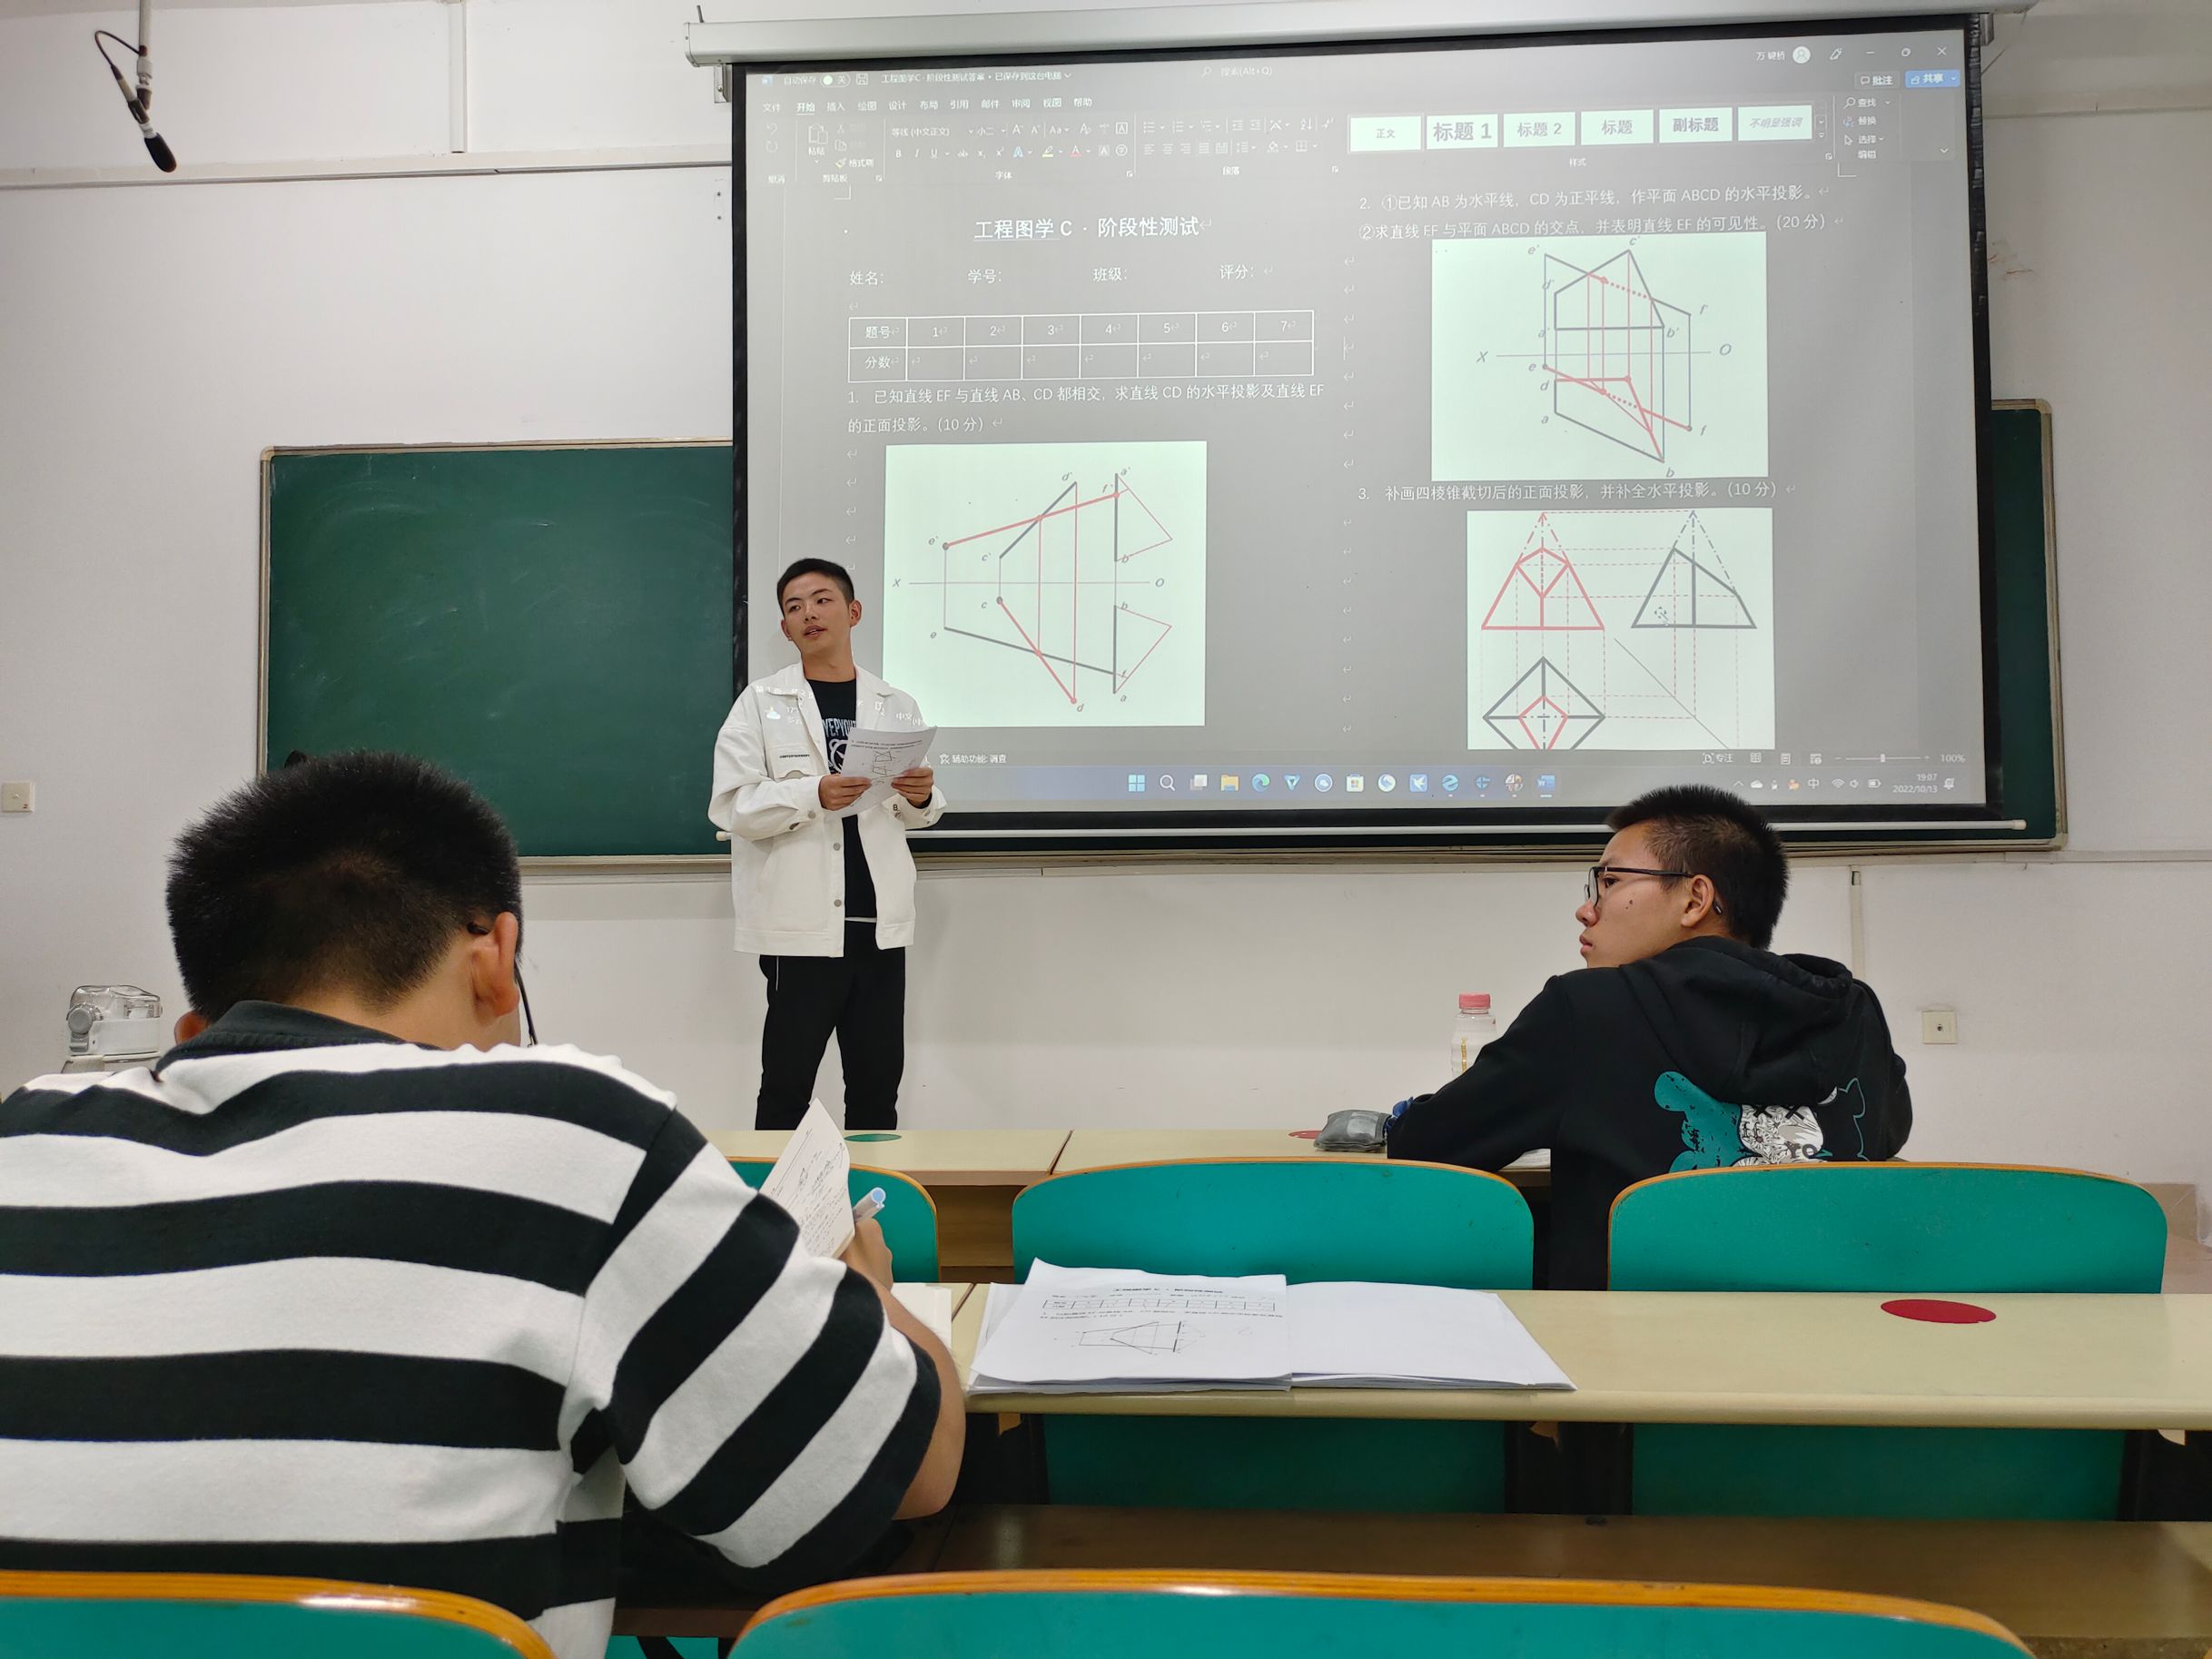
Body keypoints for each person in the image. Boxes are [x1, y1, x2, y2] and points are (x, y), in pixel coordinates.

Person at [0, 753, 963, 1659]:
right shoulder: (575, 1134)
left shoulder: (24, 1139)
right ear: (496, 957)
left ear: (197, 1030)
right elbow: (910, 1467)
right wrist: (870, 1288)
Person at [1388, 784, 1911, 1289]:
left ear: (1695, 899)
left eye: (1610, 881)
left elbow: (1425, 1147)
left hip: (1626, 1340)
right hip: (1828, 1335)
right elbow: (1887, 1139)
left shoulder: (1587, 1011)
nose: (1587, 908)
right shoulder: (1853, 1011)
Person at [710, 558, 944, 1131]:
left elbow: (912, 814)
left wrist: (921, 796)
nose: (809, 614)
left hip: (879, 928)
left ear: (853, 611)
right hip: (802, 931)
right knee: (785, 1091)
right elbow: (733, 806)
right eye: (794, 607)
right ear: (785, 628)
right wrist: (812, 794)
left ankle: (873, 1192)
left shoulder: (896, 704)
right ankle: (777, 1192)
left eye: (822, 600)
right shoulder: (759, 703)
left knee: (876, 1093)